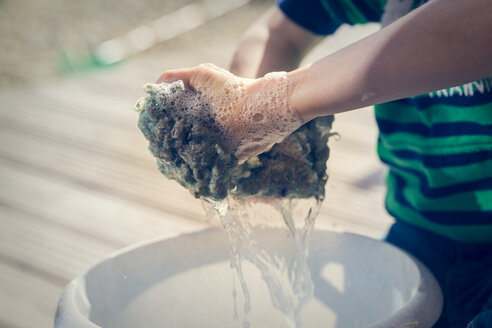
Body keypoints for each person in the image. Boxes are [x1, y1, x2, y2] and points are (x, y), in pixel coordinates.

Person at [157, 0, 492, 326]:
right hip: (421, 227)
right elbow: (280, 31)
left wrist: (272, 104)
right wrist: (243, 113)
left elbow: (475, 24)